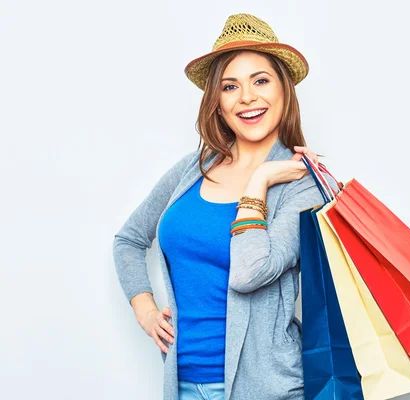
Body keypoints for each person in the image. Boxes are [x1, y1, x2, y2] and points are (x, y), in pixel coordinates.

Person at [113, 13, 339, 400]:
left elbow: (250, 273)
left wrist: (260, 180)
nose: (247, 97)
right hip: (181, 384)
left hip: (268, 390)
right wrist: (145, 310)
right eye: (230, 86)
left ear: (284, 90)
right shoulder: (192, 169)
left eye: (261, 81)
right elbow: (129, 239)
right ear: (217, 103)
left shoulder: (302, 185)